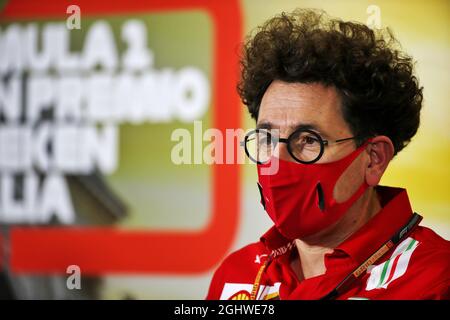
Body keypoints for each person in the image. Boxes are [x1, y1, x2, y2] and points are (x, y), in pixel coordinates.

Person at [206, 9, 450, 300]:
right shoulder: (237, 274)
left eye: (308, 140)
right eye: (267, 138)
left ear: (374, 158)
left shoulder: (435, 280)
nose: (276, 160)